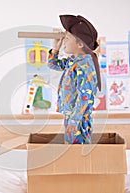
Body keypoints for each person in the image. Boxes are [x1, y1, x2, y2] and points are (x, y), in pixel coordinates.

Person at [48, 14, 101, 144]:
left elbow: (85, 96)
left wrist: (74, 120)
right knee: (71, 145)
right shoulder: (73, 61)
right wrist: (56, 48)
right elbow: (53, 64)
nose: (64, 41)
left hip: (79, 116)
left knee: (77, 148)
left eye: (66, 38)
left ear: (79, 44)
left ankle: (79, 164)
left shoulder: (84, 65)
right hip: (72, 114)